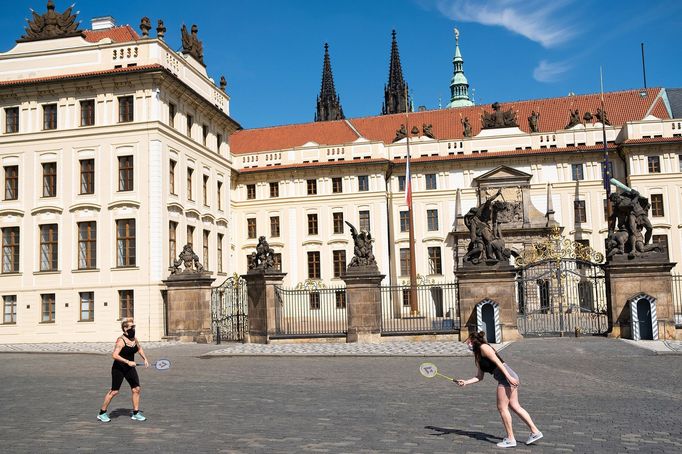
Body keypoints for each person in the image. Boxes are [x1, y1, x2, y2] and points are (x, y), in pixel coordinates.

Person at [455, 331, 543, 448]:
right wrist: (465, 382)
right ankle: (535, 432)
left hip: (506, 377)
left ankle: (511, 438)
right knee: (515, 406)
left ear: (473, 340)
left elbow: (499, 362)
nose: (468, 344)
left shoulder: (484, 347)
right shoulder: (477, 356)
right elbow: (479, 377)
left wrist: (508, 377)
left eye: (468, 342)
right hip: (506, 377)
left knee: (502, 408)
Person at [97, 318, 149, 422]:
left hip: (130, 368)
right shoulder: (121, 340)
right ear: (125, 328)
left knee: (136, 389)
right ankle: (102, 413)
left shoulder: (134, 339)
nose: (134, 329)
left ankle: (135, 413)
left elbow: (139, 348)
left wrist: (145, 358)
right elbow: (114, 355)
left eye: (134, 327)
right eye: (132, 327)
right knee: (114, 391)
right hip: (119, 368)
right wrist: (127, 362)